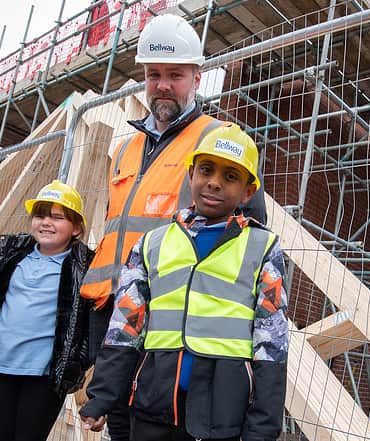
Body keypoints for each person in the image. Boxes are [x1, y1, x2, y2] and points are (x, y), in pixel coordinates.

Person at [80, 14, 267, 440]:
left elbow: (248, 238)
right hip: (117, 315)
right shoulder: (127, 148)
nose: (163, 85)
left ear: (196, 78)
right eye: (154, 74)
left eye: (175, 75)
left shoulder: (218, 141)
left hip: (173, 323)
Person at [79, 123, 288, 441]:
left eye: (230, 176)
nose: (214, 183)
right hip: (154, 401)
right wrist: (103, 396)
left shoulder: (263, 247)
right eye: (206, 170)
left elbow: (272, 341)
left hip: (223, 411)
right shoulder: (153, 243)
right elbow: (125, 325)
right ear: (191, 175)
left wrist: (263, 426)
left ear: (248, 191)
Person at [0, 180, 93, 441]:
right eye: (40, 215)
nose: (46, 222)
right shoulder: (10, 255)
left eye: (58, 217)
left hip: (43, 375)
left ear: (77, 228)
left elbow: (90, 323)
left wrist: (78, 362)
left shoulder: (84, 267)